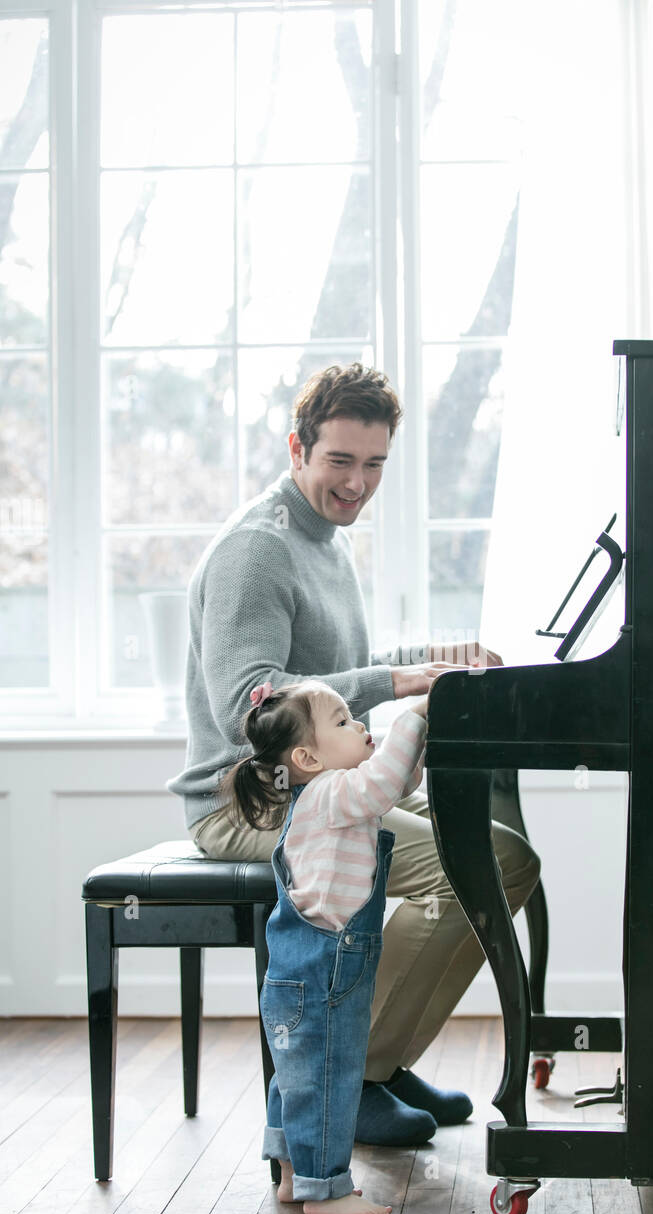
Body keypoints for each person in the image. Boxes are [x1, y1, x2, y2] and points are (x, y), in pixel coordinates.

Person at [166, 362, 542, 1147]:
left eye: (374, 465)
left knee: (507, 857)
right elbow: (257, 707)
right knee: (468, 864)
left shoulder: (324, 541)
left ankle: (383, 1056)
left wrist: (445, 658)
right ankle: (350, 1074)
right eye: (340, 461)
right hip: (250, 805)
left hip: (319, 790)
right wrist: (401, 677)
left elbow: (342, 673)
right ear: (297, 447)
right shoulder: (256, 552)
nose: (357, 484)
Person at [221, 676, 431, 1214]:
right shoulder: (332, 794)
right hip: (327, 968)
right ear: (307, 757)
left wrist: (421, 735)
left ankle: (293, 1175)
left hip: (301, 965)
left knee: (296, 1074)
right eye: (342, 720)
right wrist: (414, 714)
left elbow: (397, 784)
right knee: (331, 1076)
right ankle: (326, 1190)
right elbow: (384, 784)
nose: (359, 724)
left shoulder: (327, 793)